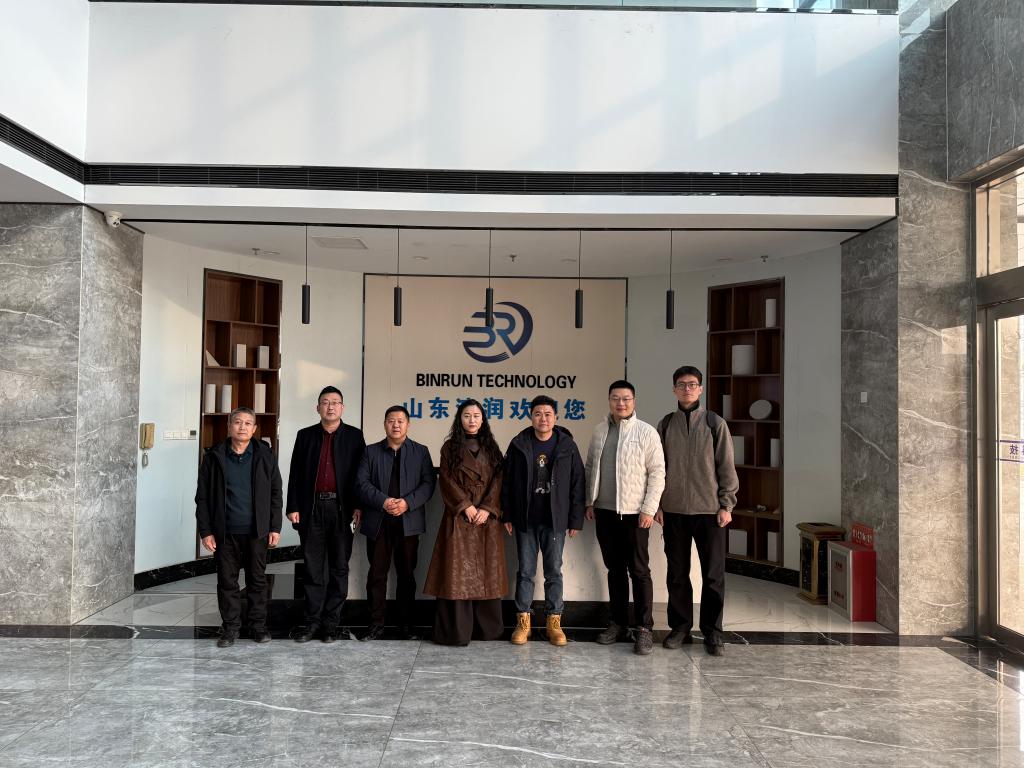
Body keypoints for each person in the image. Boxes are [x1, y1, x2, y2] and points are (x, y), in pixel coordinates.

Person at [655, 366, 738, 657]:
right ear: (674, 390)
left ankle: (713, 632)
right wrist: (658, 505)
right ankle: (680, 627)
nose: (687, 389)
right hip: (674, 511)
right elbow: (658, 469)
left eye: (692, 384)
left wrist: (726, 504)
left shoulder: (715, 423)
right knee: (677, 574)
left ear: (700, 389)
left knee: (713, 575)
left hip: (710, 511)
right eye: (681, 384)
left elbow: (726, 465)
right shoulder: (666, 424)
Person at [585, 379, 665, 655]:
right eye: (615, 398)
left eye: (626, 398)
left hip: (634, 514)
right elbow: (591, 467)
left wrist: (649, 509)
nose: (621, 403)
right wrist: (589, 501)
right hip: (605, 511)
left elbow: (657, 473)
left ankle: (644, 628)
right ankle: (617, 623)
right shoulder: (599, 431)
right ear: (609, 400)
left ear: (634, 401)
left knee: (639, 571)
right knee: (615, 570)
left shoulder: (646, 432)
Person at [501, 395, 586, 646]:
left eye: (548, 414)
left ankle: (554, 623)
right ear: (531, 416)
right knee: (525, 572)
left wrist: (575, 519)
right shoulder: (519, 444)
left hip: (555, 521)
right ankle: (523, 623)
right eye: (538, 414)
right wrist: (508, 514)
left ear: (556, 417)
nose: (543, 419)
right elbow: (507, 482)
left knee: (554, 571)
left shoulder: (567, 446)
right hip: (525, 519)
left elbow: (578, 482)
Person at [195, 407, 282, 648]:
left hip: (257, 531)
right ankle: (230, 628)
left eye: (247, 423)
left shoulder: (265, 455)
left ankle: (258, 626)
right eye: (237, 422)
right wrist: (206, 531)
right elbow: (202, 497)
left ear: (254, 429)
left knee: (257, 581)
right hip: (225, 532)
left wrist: (274, 526)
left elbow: (276, 492)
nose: (242, 427)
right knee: (227, 582)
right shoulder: (214, 456)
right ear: (229, 426)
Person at [423, 399, 507, 645]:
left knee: (487, 573)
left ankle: (486, 631)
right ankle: (456, 632)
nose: (472, 420)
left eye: (476, 416)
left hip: (486, 520)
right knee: (456, 575)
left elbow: (499, 481)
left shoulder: (492, 448)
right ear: (459, 419)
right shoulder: (449, 448)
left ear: (483, 419)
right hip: (459, 518)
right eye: (467, 415)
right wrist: (465, 506)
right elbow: (446, 480)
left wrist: (487, 508)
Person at [287, 386, 365, 643]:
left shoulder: (354, 436)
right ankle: (312, 623)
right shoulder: (305, 436)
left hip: (342, 511)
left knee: (339, 568)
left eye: (335, 402)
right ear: (318, 407)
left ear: (342, 407)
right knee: (313, 569)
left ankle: (331, 624)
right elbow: (295, 473)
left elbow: (361, 476)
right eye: (325, 402)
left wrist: (358, 506)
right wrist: (293, 506)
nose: (330, 407)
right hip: (311, 509)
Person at [356, 405, 436, 641]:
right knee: (377, 574)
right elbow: (361, 483)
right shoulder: (370, 452)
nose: (396, 425)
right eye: (391, 420)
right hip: (378, 521)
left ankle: (406, 625)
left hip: (408, 522)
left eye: (401, 421)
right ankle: (375, 624)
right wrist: (384, 501)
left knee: (407, 575)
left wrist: (407, 503)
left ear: (408, 424)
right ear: (385, 424)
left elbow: (428, 484)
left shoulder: (421, 452)